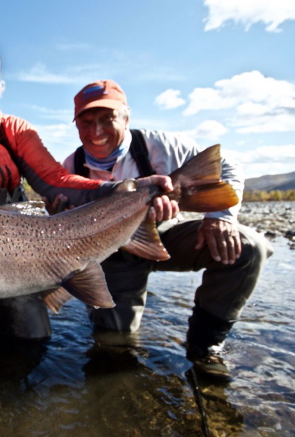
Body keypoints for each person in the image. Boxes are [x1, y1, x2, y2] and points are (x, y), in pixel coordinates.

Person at [0, 42, 177, 361]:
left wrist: (119, 190)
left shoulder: (16, 132)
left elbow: (56, 180)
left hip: (18, 250)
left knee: (32, 338)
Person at [59, 79, 273, 381]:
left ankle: (206, 346)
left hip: (168, 235)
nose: (96, 132)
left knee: (247, 247)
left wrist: (220, 217)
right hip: (114, 255)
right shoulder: (71, 166)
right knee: (112, 347)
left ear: (126, 117)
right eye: (87, 121)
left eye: (107, 119)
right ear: (76, 124)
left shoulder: (157, 145)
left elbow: (228, 166)